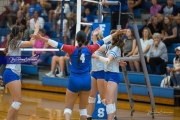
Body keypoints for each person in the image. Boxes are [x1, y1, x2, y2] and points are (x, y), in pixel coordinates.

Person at [32, 28, 126, 120]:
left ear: (76, 39)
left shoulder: (71, 49)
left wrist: (41, 38)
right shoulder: (90, 49)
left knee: (68, 108)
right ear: (86, 40)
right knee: (83, 109)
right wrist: (115, 34)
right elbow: (103, 40)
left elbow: (54, 43)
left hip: (74, 80)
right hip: (86, 80)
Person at [2, 22, 39, 120]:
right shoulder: (15, 42)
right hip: (11, 73)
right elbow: (31, 43)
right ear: (20, 33)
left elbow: (18, 59)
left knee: (16, 102)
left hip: (15, 73)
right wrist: (36, 29)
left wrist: (29, 59)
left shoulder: (14, 43)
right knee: (17, 101)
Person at [92, 29, 126, 120]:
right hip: (107, 74)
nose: (110, 37)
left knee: (108, 99)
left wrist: (97, 56)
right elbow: (97, 47)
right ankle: (113, 117)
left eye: (111, 36)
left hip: (113, 75)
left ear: (114, 38)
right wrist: (94, 36)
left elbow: (107, 61)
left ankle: (111, 118)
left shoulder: (116, 48)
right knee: (106, 100)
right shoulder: (110, 46)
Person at [86, 29, 106, 120]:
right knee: (91, 96)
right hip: (94, 72)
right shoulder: (92, 45)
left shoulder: (103, 45)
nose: (92, 36)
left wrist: (94, 38)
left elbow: (97, 48)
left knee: (103, 98)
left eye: (93, 35)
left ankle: (113, 115)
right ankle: (89, 117)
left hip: (102, 72)